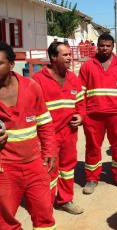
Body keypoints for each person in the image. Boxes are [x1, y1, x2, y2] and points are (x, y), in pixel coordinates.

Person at [0, 42, 57, 229]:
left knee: (44, 216)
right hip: (4, 169)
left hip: (34, 164)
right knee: (4, 221)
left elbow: (45, 123)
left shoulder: (31, 87)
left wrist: (50, 151)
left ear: (11, 64)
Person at [79, 33, 117, 194]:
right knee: (92, 147)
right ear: (97, 46)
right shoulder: (88, 65)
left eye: (108, 45)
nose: (104, 48)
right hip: (93, 116)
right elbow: (80, 93)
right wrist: (83, 113)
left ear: (113, 47)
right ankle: (91, 178)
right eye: (101, 45)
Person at [32, 42, 85, 215]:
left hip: (69, 133)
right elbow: (31, 109)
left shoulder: (73, 78)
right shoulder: (37, 80)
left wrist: (81, 116)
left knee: (68, 169)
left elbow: (80, 102)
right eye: (65, 55)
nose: (70, 57)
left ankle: (65, 200)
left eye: (70, 54)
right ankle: (45, 205)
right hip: (48, 136)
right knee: (48, 170)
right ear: (53, 57)